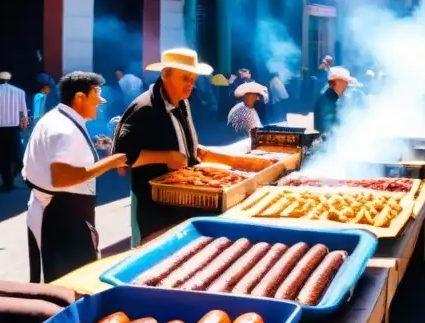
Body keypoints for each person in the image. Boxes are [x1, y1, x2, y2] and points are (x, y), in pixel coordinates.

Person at [114, 48, 266, 246]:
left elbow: (192, 150)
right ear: (165, 74)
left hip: (186, 201)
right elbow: (122, 160)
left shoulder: (183, 103)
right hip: (156, 207)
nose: (191, 84)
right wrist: (166, 157)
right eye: (185, 78)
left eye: (193, 78)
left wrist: (242, 162)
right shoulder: (144, 108)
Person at [21, 72, 127, 282]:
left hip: (58, 212)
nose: (101, 100)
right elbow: (61, 178)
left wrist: (97, 145)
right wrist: (112, 161)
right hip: (61, 217)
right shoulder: (65, 129)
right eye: (97, 94)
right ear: (80, 97)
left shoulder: (57, 119)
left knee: (57, 276)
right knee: (69, 280)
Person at [0, 71, 28, 191]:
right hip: (13, 130)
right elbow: (23, 113)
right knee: (15, 155)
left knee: (1, 156)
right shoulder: (19, 92)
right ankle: (11, 178)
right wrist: (24, 125)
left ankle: (6, 181)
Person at [314, 66, 353, 139]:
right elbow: (328, 124)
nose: (346, 87)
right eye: (344, 83)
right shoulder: (327, 100)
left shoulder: (337, 97)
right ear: (333, 84)